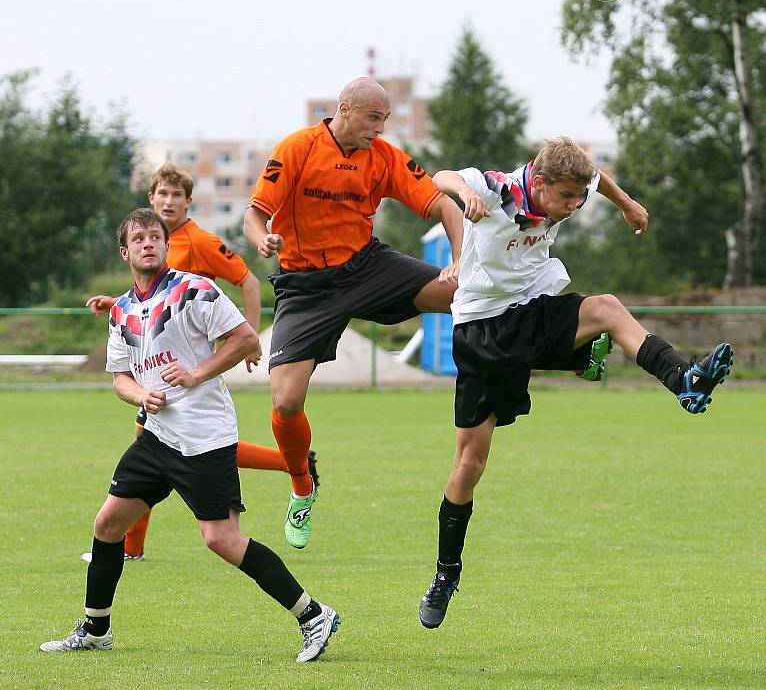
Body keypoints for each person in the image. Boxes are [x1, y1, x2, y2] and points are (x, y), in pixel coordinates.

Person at [417, 137, 734, 629]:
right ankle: (445, 573)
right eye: (567, 198)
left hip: (533, 307)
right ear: (539, 184)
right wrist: (466, 193)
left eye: (579, 198)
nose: (573, 208)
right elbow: (441, 178)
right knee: (469, 464)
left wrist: (625, 202)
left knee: (606, 307)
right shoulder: (497, 189)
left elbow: (594, 175)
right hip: (483, 332)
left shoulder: (567, 180)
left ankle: (683, 379)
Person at [41, 209, 340, 661]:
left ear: (165, 245)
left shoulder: (194, 289)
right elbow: (120, 378)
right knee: (107, 524)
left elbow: (245, 339)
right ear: (125, 252)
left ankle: (315, 615)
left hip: (204, 436)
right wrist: (142, 394)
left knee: (221, 540)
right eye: (138, 238)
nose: (148, 243)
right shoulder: (120, 310)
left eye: (154, 237)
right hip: (156, 438)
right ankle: (96, 628)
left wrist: (197, 373)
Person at [243, 77, 465, 549]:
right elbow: (254, 214)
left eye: (385, 120)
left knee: (466, 296)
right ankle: (303, 486)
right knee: (284, 402)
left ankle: (565, 349)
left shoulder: (382, 156)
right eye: (373, 118)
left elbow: (444, 204)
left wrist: (459, 260)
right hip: (306, 287)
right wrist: (262, 239)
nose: (379, 129)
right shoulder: (298, 148)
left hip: (366, 267)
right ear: (345, 109)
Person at [83, 163, 318, 563]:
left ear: (188, 201)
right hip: (157, 369)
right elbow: (150, 300)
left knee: (171, 451)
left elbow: (246, 280)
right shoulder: (150, 240)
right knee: (155, 448)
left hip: (189, 369)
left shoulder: (198, 241)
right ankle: (131, 546)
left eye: (177, 195)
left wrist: (249, 335)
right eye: (162, 194)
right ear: (151, 199)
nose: (169, 201)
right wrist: (119, 304)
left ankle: (131, 547)